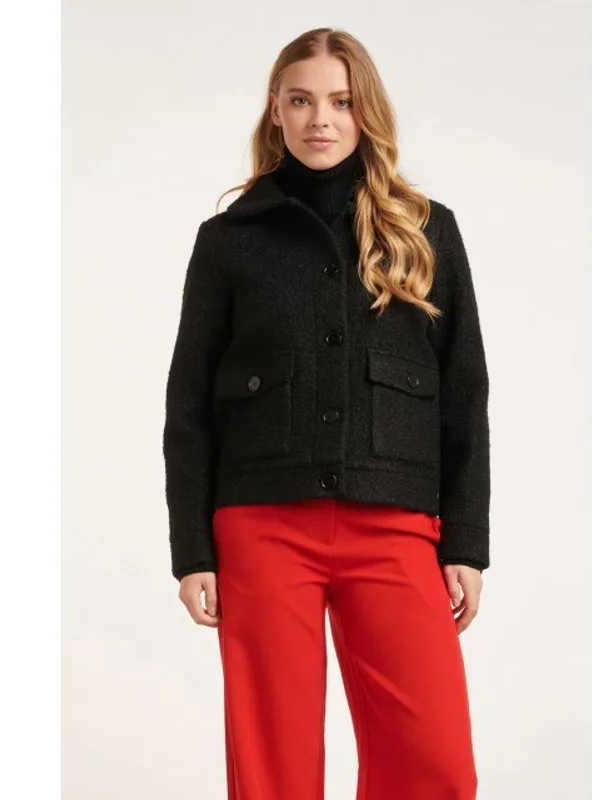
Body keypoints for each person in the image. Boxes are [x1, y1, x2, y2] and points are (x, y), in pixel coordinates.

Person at [163, 26, 490, 800]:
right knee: (272, 765)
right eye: (302, 100)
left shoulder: (427, 229)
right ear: (275, 110)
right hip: (261, 526)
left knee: (436, 765)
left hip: (396, 523)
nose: (321, 120)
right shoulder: (228, 241)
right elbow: (188, 402)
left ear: (366, 111)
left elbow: (463, 391)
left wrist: (466, 541)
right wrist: (192, 550)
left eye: (341, 102)